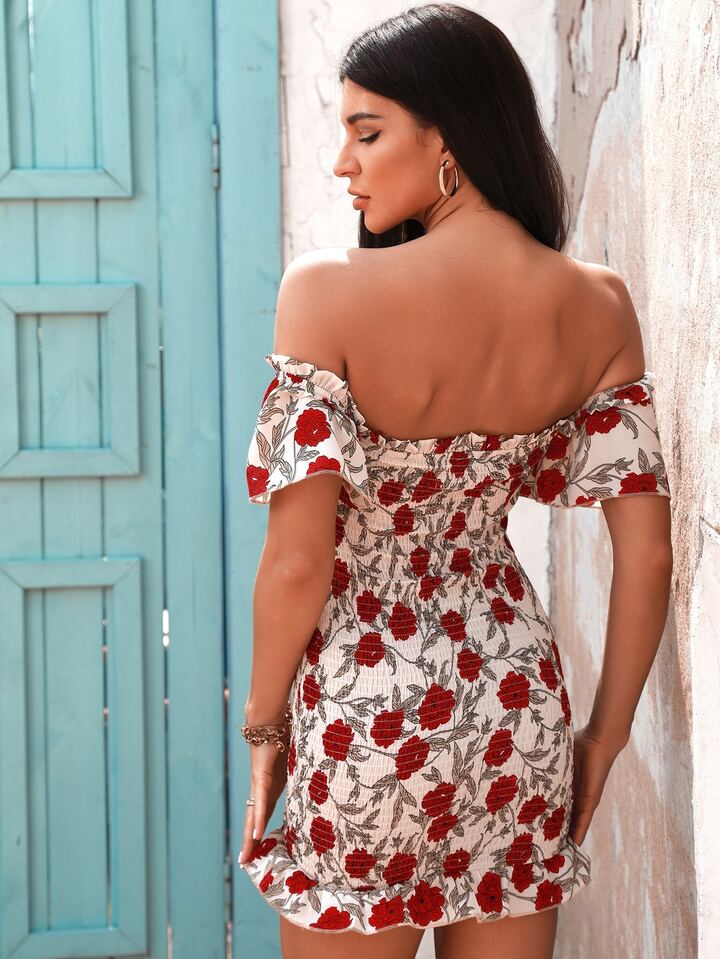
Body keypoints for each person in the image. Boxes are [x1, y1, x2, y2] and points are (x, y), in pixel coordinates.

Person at [236, 4, 673, 958]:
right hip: (517, 708)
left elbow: (298, 563)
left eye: (367, 132)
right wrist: (601, 740)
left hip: (365, 719)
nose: (342, 163)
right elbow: (648, 558)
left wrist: (264, 727)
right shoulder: (598, 305)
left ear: (448, 139)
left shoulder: (325, 293)